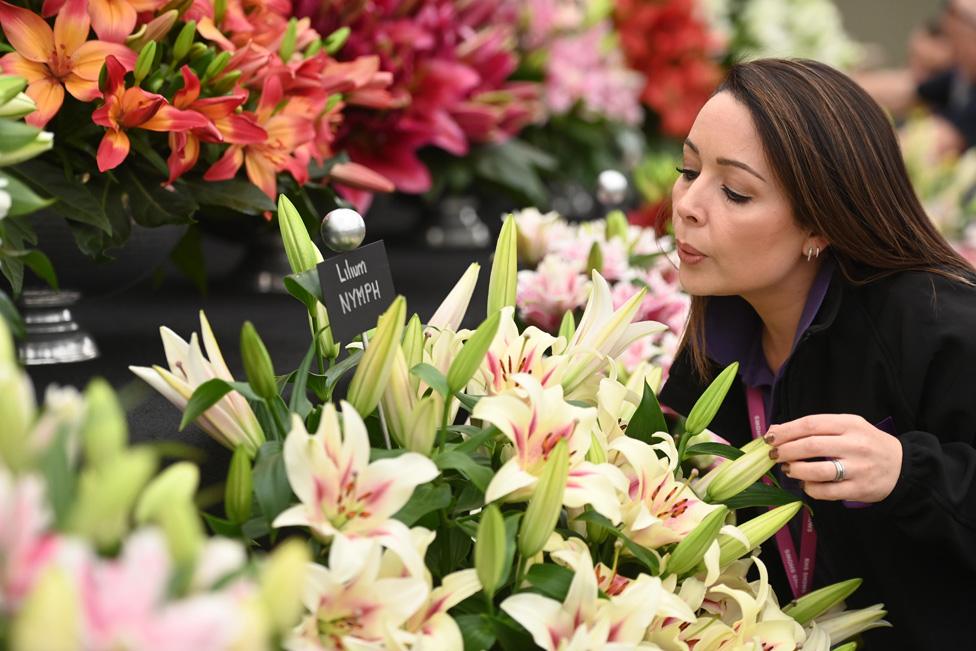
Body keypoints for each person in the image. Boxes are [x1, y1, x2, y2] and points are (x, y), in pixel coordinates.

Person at [659, 58, 976, 650]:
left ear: (820, 224)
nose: (687, 204)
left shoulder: (936, 324)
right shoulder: (722, 318)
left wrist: (907, 472)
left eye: (734, 191)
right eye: (688, 168)